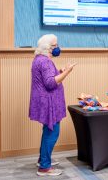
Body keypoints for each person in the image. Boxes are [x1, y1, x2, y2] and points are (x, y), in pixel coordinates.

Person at [29, 34, 76, 176]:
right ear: (47, 48)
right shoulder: (46, 62)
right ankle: (44, 167)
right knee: (52, 132)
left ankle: (42, 159)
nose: (57, 48)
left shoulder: (39, 59)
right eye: (55, 45)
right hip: (48, 102)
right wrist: (67, 72)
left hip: (42, 101)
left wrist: (60, 71)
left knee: (47, 131)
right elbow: (50, 83)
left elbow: (48, 78)